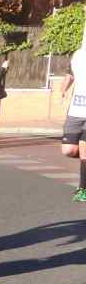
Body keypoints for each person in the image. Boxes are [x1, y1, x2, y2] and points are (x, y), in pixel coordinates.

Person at [60, 44, 86, 202]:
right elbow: (70, 75)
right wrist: (63, 89)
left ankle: (82, 189)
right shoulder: (78, 55)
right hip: (76, 110)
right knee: (68, 150)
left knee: (84, 148)